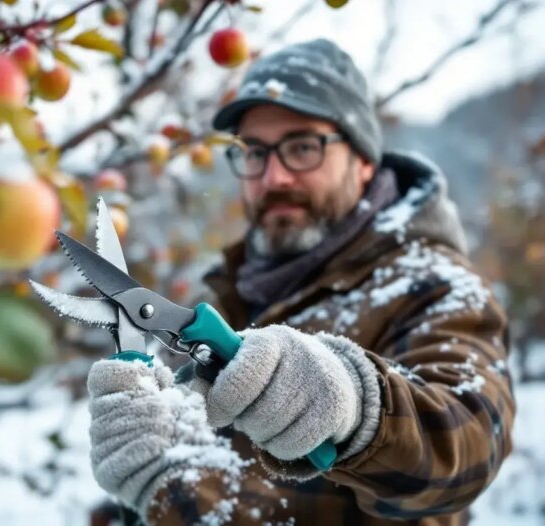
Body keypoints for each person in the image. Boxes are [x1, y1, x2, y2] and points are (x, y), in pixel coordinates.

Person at [86, 38, 516, 526]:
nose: (274, 177)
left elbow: (467, 444)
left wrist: (358, 408)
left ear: (364, 160)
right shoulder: (230, 293)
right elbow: (224, 486)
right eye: (254, 152)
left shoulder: (434, 284)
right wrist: (151, 490)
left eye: (302, 147)